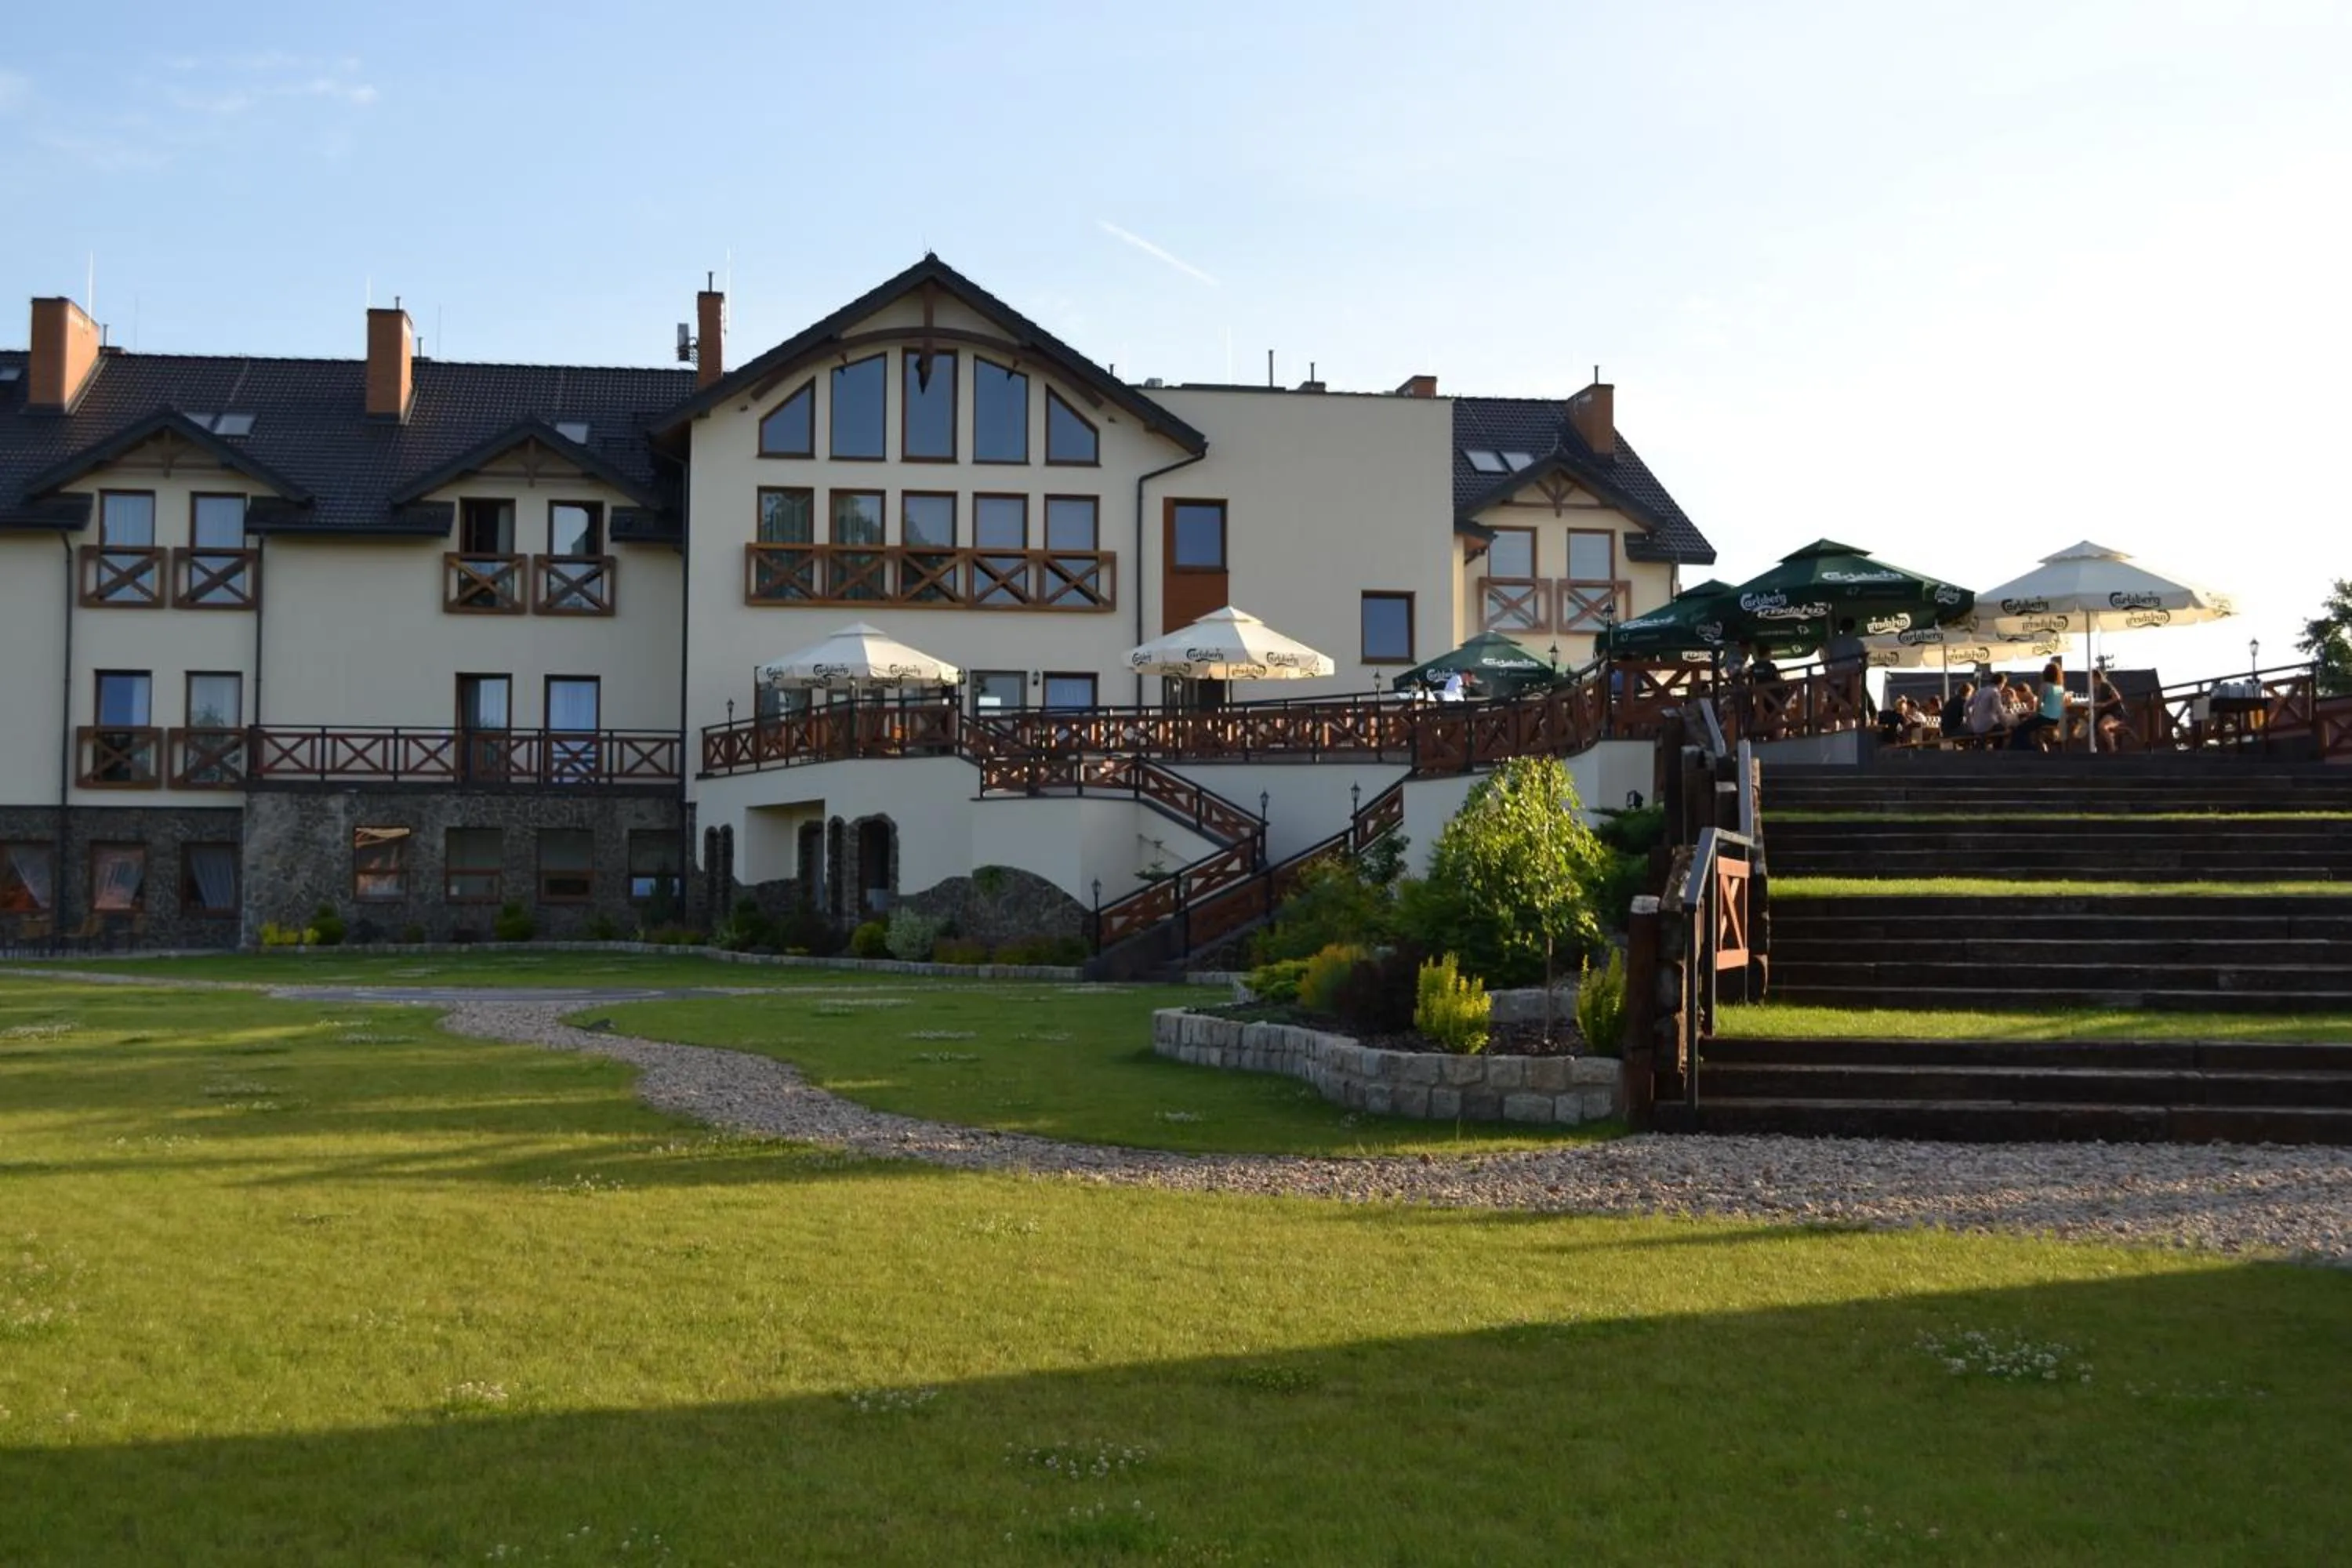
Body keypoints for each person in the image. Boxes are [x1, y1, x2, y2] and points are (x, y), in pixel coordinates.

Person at [2008, 661, 2071, 750]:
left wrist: (2033, 714)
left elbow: (2039, 706)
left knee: (2020, 728)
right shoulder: (2060, 688)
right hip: (2057, 719)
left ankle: (2028, 748)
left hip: (2045, 718)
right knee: (2028, 726)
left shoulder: (2044, 686)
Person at [1966, 674, 2010, 738]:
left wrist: (1969, 720)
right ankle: (2000, 747)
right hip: (1988, 726)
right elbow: (1999, 712)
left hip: (1976, 726)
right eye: (2004, 684)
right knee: (2011, 729)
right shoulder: (1995, 692)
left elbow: (1966, 705)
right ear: (2001, 683)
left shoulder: (1980, 691)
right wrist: (2007, 726)